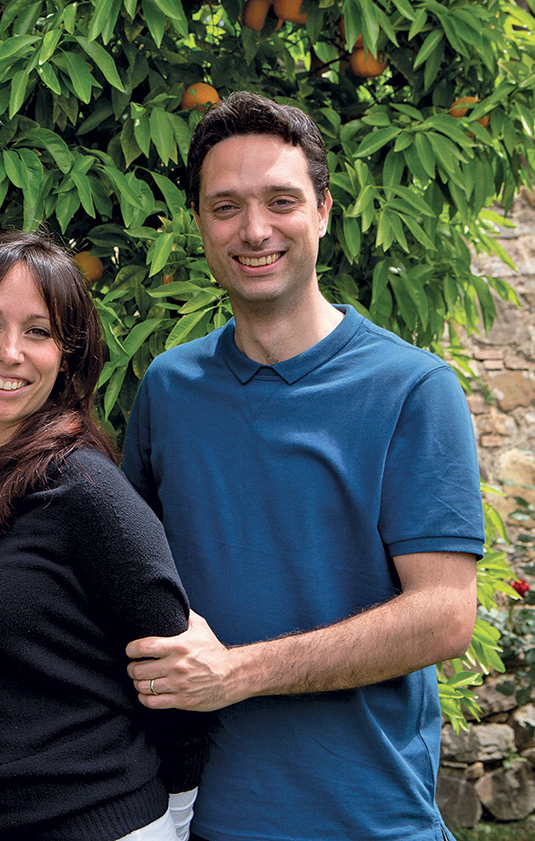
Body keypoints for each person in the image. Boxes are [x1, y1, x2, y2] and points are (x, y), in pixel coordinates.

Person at [120, 91, 485, 841]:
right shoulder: (169, 388)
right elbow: (133, 586)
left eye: (280, 200)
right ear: (198, 223)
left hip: (370, 821)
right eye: (225, 206)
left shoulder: (413, 389)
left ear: (323, 210)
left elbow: (445, 614)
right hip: (205, 819)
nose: (254, 230)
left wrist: (238, 671)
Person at [0, 231, 210, 841]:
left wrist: (178, 817)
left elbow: (175, 674)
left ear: (67, 356)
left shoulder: (85, 492)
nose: (9, 352)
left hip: (97, 821)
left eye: (38, 332)